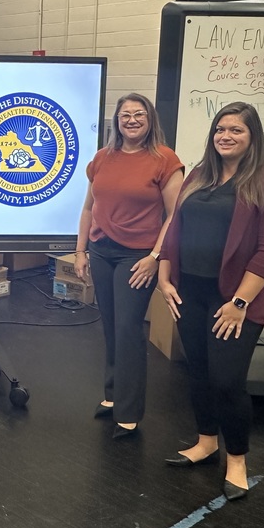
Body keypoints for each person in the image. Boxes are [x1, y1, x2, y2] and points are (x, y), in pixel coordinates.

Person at [157, 101, 264, 501]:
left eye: (236, 130)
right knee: (197, 371)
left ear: (253, 138)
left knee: (227, 381)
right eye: (221, 129)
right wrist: (165, 276)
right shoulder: (199, 176)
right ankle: (205, 442)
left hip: (234, 299)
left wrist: (238, 303)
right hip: (191, 292)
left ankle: (236, 459)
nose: (226, 136)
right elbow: (175, 228)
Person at [74, 93, 184, 439]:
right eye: (125, 115)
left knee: (128, 330)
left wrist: (154, 257)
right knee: (110, 326)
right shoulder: (103, 158)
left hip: (137, 256)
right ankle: (112, 395)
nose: (132, 120)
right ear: (116, 121)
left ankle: (129, 412)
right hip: (101, 250)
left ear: (150, 119)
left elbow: (174, 216)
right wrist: (80, 251)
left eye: (139, 114)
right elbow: (89, 208)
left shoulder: (164, 159)